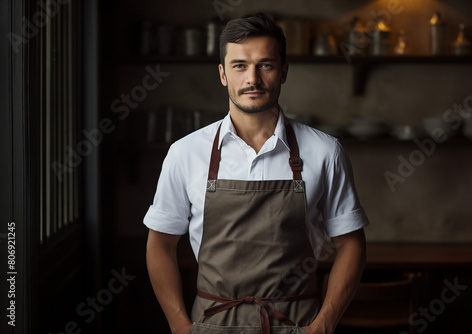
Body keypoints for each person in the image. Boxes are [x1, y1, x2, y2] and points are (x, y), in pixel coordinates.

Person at [144, 13, 369, 334]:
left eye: (266, 65)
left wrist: (323, 325)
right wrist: (180, 325)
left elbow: (351, 244)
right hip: (210, 324)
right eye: (240, 66)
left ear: (284, 72)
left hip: (296, 324)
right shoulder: (186, 152)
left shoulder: (324, 151)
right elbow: (160, 245)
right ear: (223, 74)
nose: (253, 78)